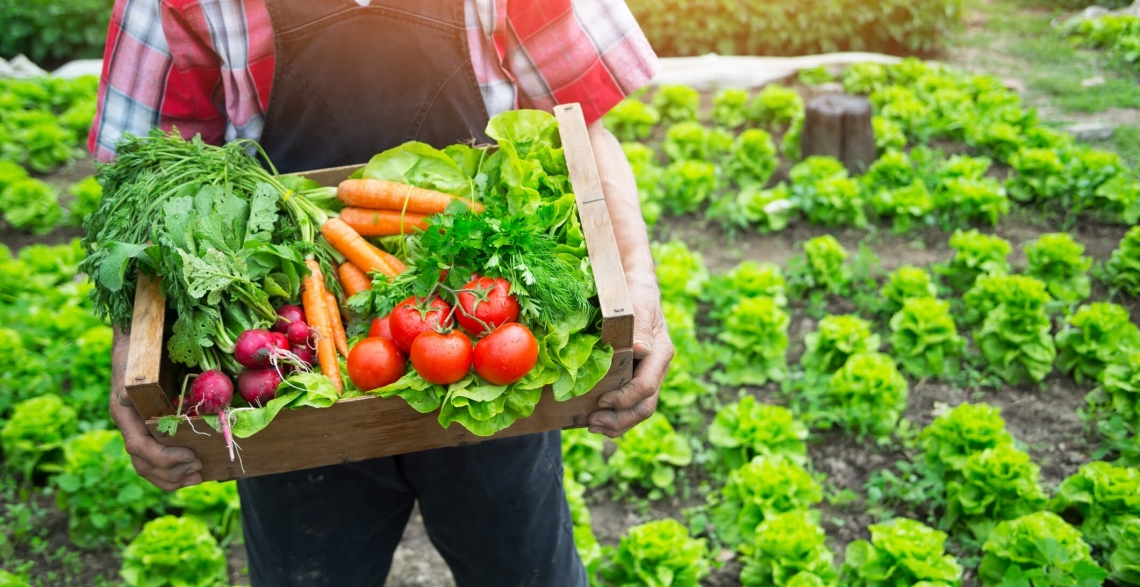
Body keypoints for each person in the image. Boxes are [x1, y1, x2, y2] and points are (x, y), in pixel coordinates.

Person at [92, 0, 672, 585]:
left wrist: (639, 291)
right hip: (296, 381)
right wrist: (132, 357)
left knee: (523, 569)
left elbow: (584, 126)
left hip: (487, 361)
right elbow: (150, 189)